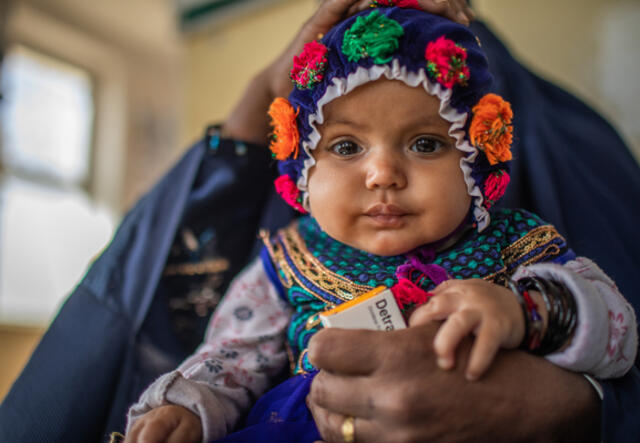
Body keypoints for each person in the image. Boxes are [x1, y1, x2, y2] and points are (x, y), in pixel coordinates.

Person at [124, 5, 637, 442]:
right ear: (303, 170)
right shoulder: (290, 259)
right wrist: (188, 407)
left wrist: (527, 313)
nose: (383, 174)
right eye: (346, 147)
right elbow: (231, 357)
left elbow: (619, 334)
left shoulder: (515, 245)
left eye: (426, 144)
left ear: (477, 161)